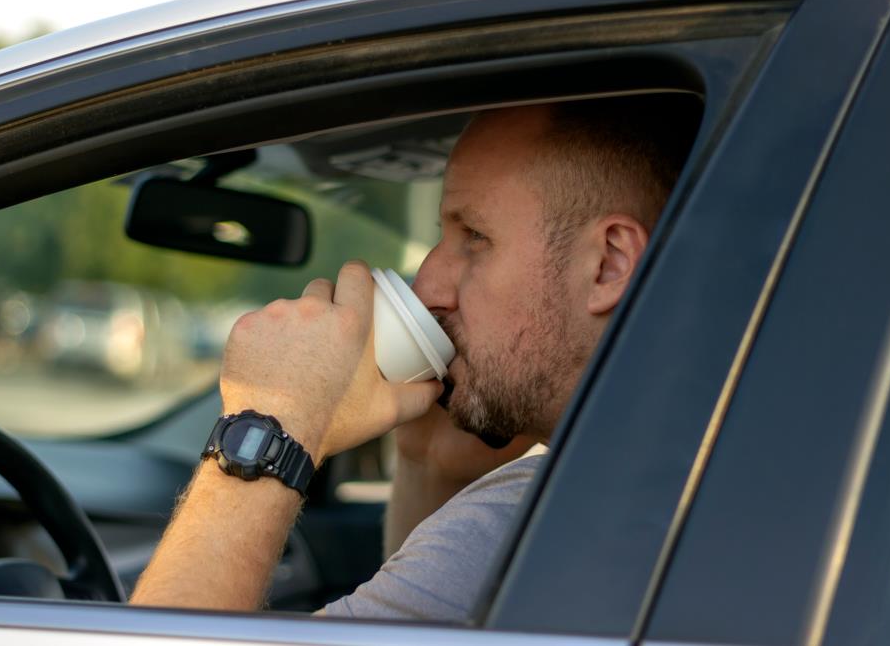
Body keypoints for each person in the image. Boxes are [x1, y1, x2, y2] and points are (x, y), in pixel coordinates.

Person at [130, 95, 701, 620]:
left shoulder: (540, 522)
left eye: (474, 236)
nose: (427, 284)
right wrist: (427, 457)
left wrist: (269, 423)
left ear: (608, 263)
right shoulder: (676, 478)